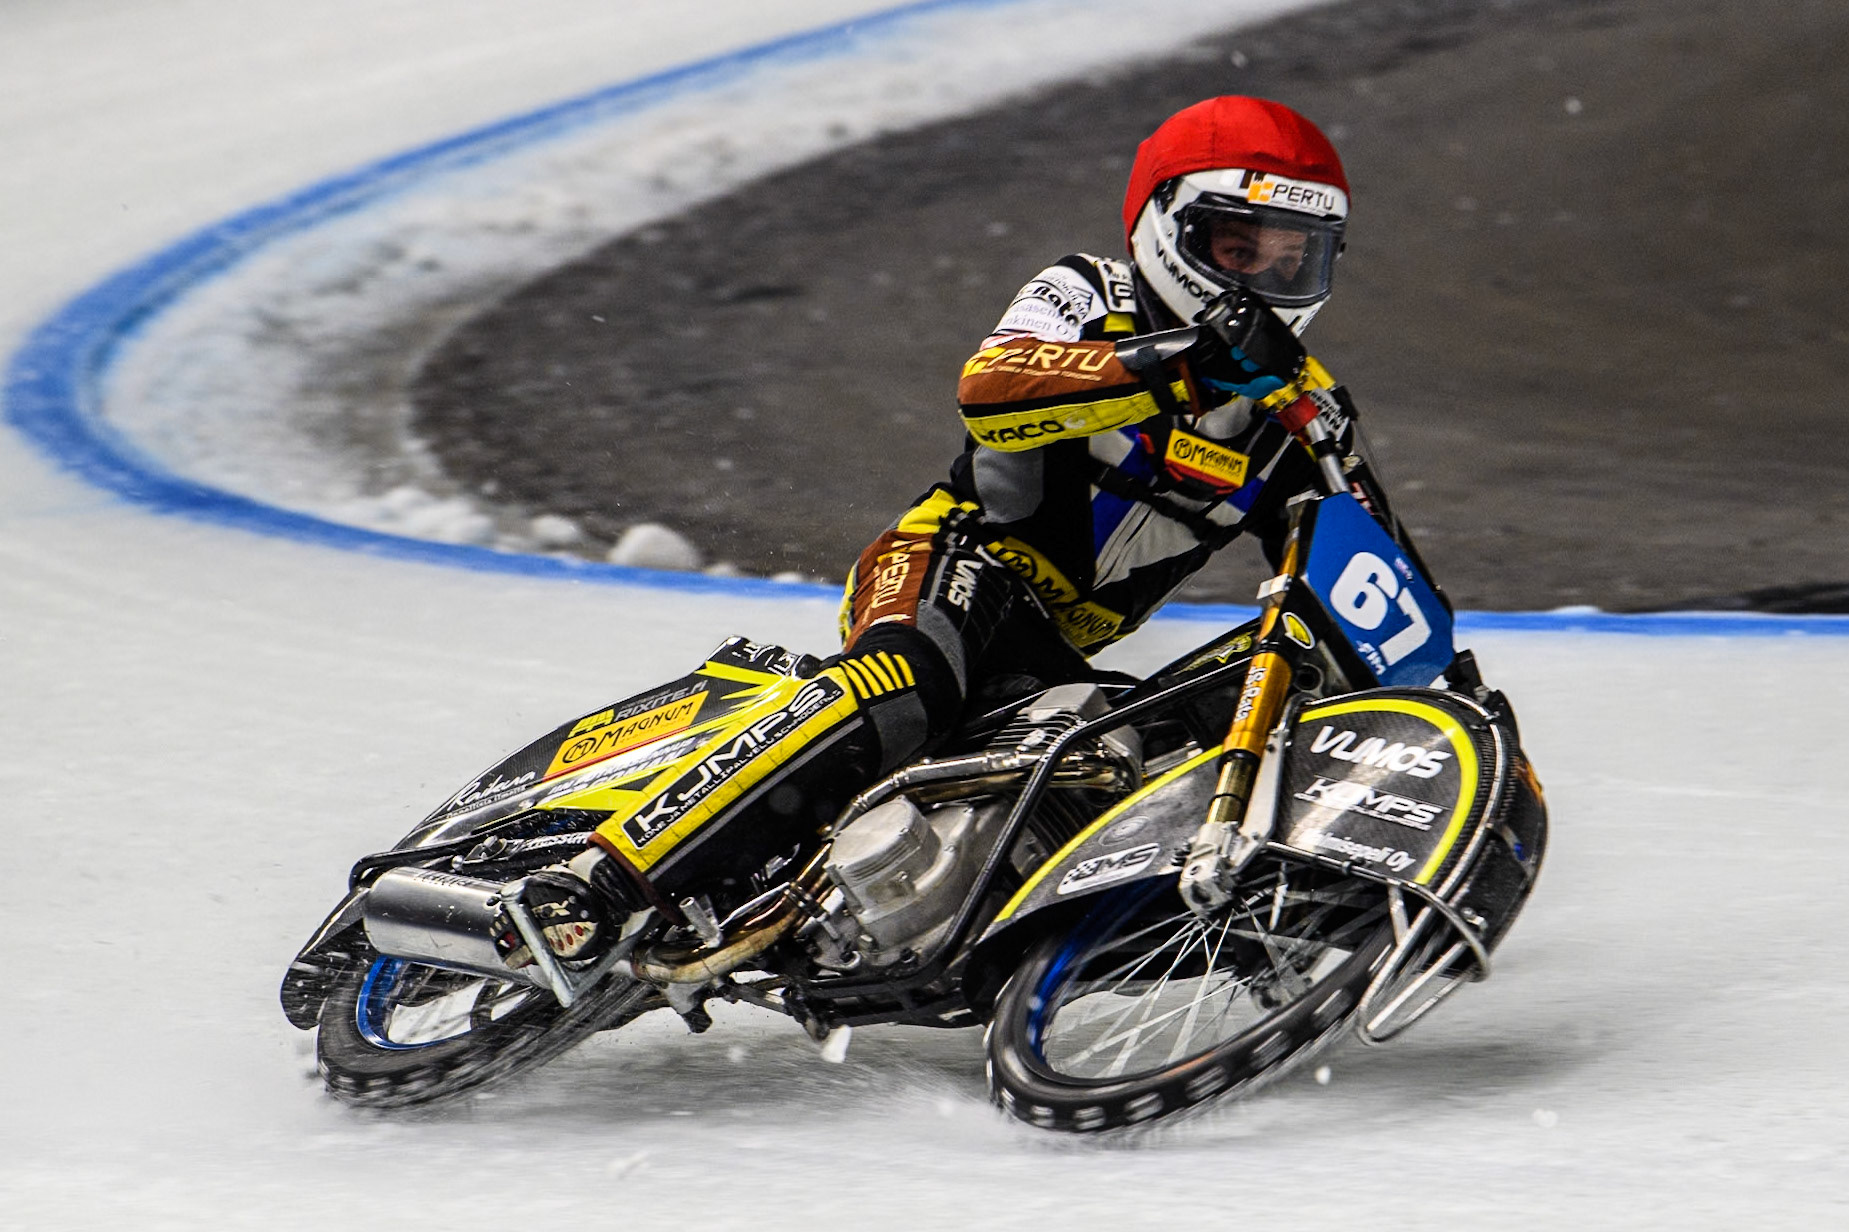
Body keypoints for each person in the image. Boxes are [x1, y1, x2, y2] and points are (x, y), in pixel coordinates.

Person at [497, 95, 1418, 968]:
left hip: (1055, 650)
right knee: (909, 682)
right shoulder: (1086, 290)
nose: (1262, 277)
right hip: (954, 564)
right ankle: (599, 882)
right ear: (1165, 229)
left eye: (1291, 259)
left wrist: (1433, 697)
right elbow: (992, 392)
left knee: (1116, 762)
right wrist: (1182, 362)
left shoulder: (1299, 410)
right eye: (1234, 245)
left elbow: (1368, 571)